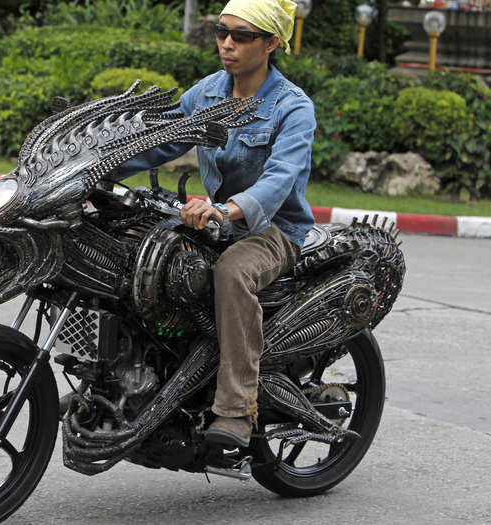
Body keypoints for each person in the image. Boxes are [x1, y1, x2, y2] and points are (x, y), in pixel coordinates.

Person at [122, 0, 316, 448]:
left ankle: (235, 409)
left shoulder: (292, 107)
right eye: (222, 32)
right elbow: (159, 141)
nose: (227, 44)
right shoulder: (208, 92)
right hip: (216, 223)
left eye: (242, 36)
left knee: (232, 271)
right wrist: (90, 173)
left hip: (272, 230)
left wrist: (226, 211)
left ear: (271, 43)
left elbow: (280, 181)